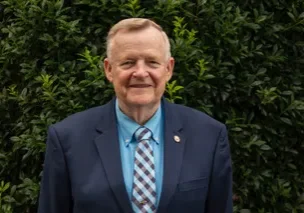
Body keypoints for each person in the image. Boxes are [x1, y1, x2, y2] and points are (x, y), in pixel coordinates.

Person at [37, 18, 233, 213]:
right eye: (128, 62)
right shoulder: (67, 138)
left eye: (152, 62)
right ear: (109, 69)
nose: (140, 72)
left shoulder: (209, 136)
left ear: (168, 69)